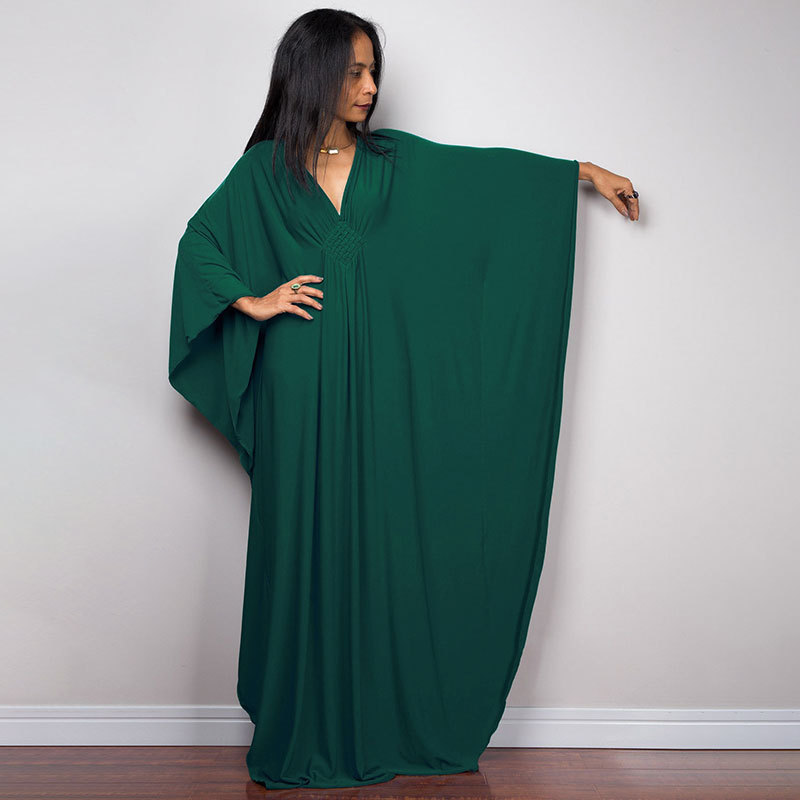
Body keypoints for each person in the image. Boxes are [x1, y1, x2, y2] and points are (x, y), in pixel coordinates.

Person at [168, 8, 639, 791]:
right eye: (353, 71)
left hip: (382, 387)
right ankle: (302, 726)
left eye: (372, 71)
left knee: (383, 537)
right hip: (298, 388)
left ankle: (385, 721)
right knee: (301, 541)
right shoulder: (262, 174)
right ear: (313, 73)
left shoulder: (396, 162)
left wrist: (580, 174)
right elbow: (199, 244)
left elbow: (487, 181)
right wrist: (253, 300)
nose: (369, 87)